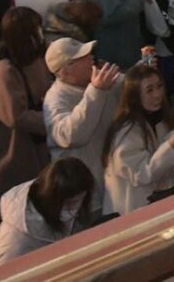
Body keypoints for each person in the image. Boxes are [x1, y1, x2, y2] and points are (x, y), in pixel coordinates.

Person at [102, 63, 174, 215]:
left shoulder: (161, 121)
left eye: (159, 86)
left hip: (159, 204)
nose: (158, 94)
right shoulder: (126, 131)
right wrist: (171, 147)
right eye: (149, 90)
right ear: (134, 96)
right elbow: (141, 175)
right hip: (132, 211)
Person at [42, 38, 121, 212]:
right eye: (83, 57)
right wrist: (96, 91)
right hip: (88, 198)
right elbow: (72, 136)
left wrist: (142, 73)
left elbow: (128, 86)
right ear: (66, 69)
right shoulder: (55, 100)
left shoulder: (98, 81)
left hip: (116, 183)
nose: (91, 58)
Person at [0, 7, 53, 203]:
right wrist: (56, 122)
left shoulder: (35, 58)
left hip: (40, 144)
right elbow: (16, 116)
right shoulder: (4, 70)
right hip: (18, 151)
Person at [0, 158, 95, 269]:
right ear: (51, 197)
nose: (73, 209)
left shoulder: (58, 208)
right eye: (68, 203)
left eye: (78, 201)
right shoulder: (17, 239)